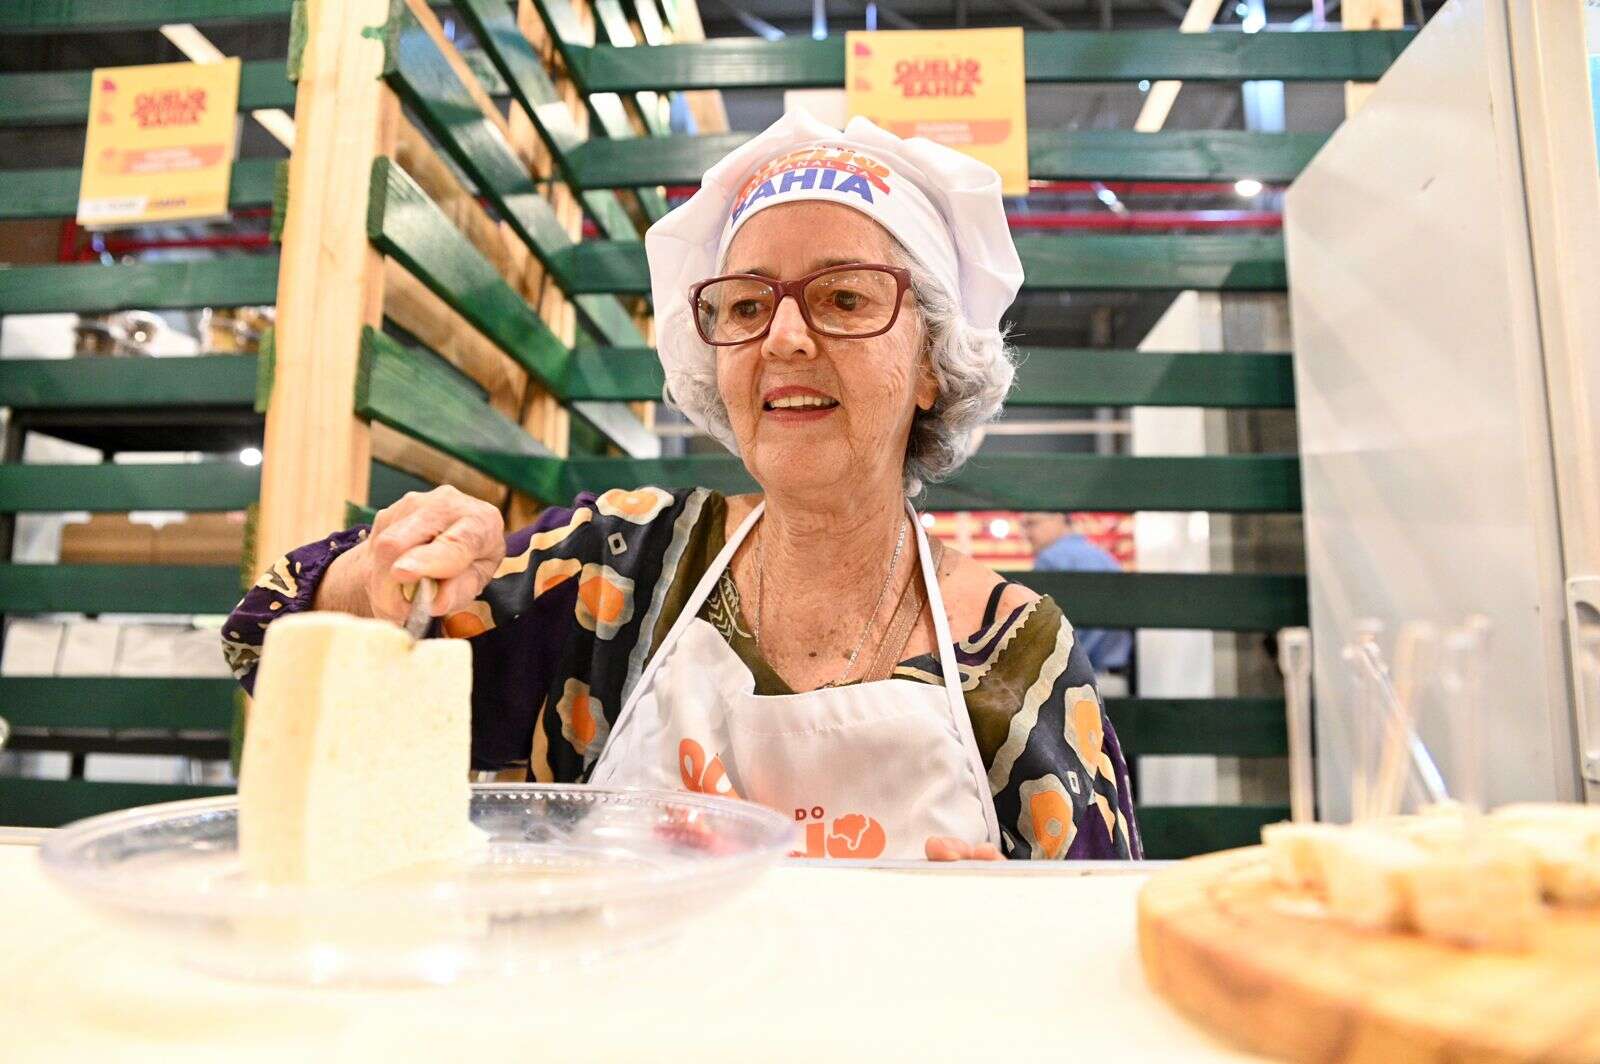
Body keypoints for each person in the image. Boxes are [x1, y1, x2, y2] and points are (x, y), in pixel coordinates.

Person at [223, 110, 1140, 862]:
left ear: (936, 362)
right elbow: (268, 646)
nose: (782, 337)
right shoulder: (614, 571)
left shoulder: (1024, 662)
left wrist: (1014, 941)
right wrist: (384, 581)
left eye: (846, 296)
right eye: (745, 304)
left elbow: (1100, 955)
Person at [1020, 512, 1134, 675]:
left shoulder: (1049, 560)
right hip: (1113, 671)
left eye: (1032, 524)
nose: (1027, 534)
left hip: (1074, 675)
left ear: (1058, 518)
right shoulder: (1103, 557)